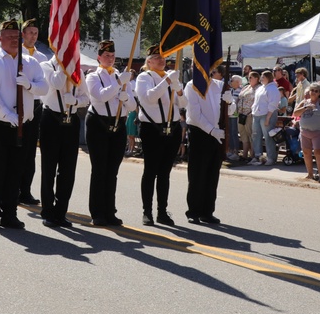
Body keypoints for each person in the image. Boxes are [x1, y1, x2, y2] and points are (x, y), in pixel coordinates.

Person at [0, 19, 48, 230]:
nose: (13, 40)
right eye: (8, 36)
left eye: (16, 37)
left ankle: (10, 213)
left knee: (15, 171)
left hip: (24, 126)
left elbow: (43, 87)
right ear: (0, 38)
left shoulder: (30, 62)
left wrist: (29, 85)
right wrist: (8, 114)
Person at [135, 45, 188, 226]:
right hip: (152, 129)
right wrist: (166, 81)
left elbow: (183, 102)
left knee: (165, 173)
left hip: (171, 128)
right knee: (150, 171)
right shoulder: (144, 77)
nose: (161, 60)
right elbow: (149, 98)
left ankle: (162, 211)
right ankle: (147, 211)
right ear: (148, 61)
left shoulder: (169, 77)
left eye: (163, 57)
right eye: (157, 57)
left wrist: (178, 88)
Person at [84, 40, 132, 227]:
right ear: (99, 58)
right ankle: (97, 212)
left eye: (112, 56)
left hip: (118, 124)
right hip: (98, 123)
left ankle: (110, 211)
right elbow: (101, 95)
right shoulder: (93, 76)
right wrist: (119, 84)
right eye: (106, 56)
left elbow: (133, 106)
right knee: (99, 170)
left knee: (112, 171)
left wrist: (126, 97)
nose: (110, 59)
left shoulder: (122, 76)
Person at [38, 55, 89, 227]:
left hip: (71, 120)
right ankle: (47, 211)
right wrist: (64, 65)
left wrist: (74, 100)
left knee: (68, 170)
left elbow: (86, 98)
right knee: (49, 168)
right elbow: (57, 83)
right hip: (51, 119)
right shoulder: (46, 66)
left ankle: (61, 212)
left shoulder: (78, 71)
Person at [186, 63, 229, 225]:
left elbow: (228, 112)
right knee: (197, 174)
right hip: (200, 133)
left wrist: (230, 103)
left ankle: (207, 211)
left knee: (212, 174)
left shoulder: (219, 86)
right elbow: (195, 115)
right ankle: (194, 211)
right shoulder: (192, 86)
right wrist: (211, 131)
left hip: (216, 135)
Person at [18, 19, 50, 205]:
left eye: (36, 33)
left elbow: (43, 86)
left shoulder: (42, 58)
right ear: (23, 34)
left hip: (36, 106)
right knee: (17, 149)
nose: (33, 36)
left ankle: (26, 191)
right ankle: (12, 189)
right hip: (19, 104)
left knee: (30, 151)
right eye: (29, 33)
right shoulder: (16, 54)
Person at [294, 83, 320, 181]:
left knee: (318, 152)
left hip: (318, 132)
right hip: (305, 132)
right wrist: (305, 108)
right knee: (306, 152)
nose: (313, 92)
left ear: (319, 93)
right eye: (312, 90)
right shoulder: (304, 102)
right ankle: (310, 174)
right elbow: (295, 113)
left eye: (316, 91)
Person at [250, 70, 279, 165]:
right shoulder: (260, 88)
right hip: (257, 115)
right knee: (256, 136)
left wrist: (268, 118)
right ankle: (259, 157)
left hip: (267, 114)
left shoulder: (272, 88)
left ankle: (271, 158)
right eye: (261, 77)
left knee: (268, 136)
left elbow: (273, 104)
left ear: (268, 78)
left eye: (263, 77)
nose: (261, 78)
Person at [237, 71, 259, 162]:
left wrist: (251, 112)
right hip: (241, 114)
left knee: (250, 134)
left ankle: (252, 155)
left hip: (249, 115)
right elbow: (239, 97)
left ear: (256, 78)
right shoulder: (246, 87)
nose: (249, 79)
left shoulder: (259, 89)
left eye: (251, 77)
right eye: (248, 77)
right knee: (243, 135)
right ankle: (244, 154)